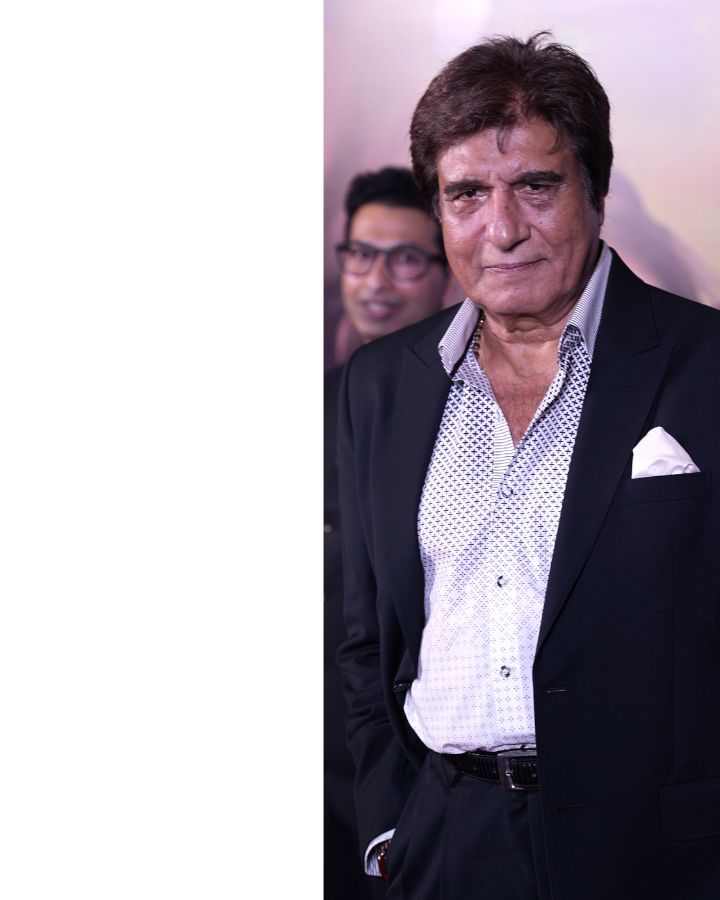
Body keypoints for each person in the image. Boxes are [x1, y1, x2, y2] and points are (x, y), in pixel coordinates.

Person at [336, 34, 720, 900]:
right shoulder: (381, 385)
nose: (503, 229)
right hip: (446, 847)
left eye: (536, 187)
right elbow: (369, 641)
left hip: (661, 861)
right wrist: (396, 831)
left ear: (597, 191)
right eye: (467, 194)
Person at [326, 166, 451, 898]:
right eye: (361, 254)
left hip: (424, 773)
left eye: (405, 258)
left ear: (447, 270)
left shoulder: (475, 419)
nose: (376, 280)